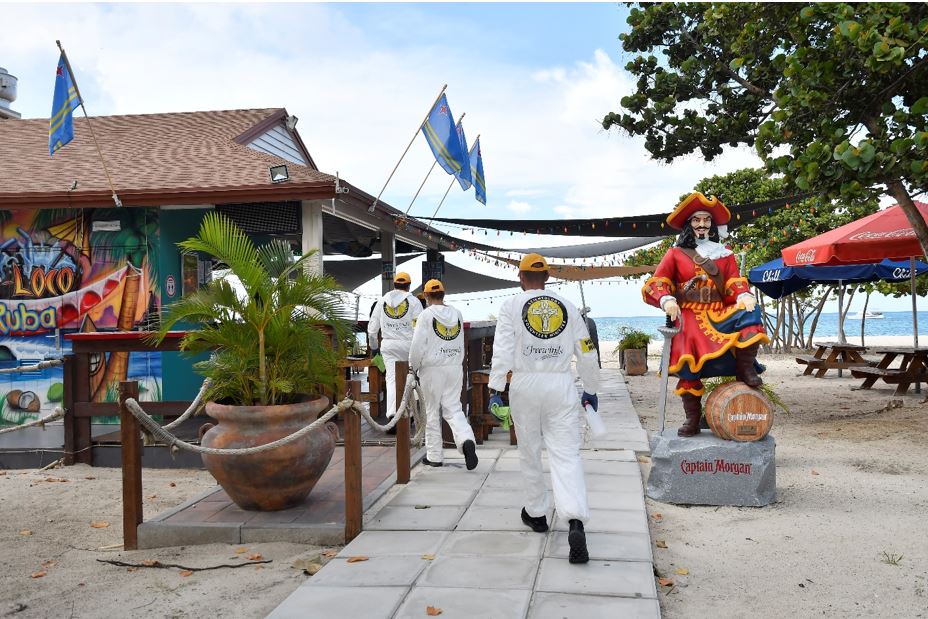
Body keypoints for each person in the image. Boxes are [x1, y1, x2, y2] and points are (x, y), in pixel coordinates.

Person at [488, 253, 600, 564]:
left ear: (520, 277)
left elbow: (503, 349)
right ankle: (575, 520)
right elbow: (586, 349)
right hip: (560, 384)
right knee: (566, 453)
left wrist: (497, 388)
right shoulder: (567, 306)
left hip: (525, 383)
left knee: (530, 450)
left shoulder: (511, 306)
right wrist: (591, 388)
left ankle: (536, 513)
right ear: (547, 277)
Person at [641, 192, 770, 437]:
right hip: (688, 314)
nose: (702, 225)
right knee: (688, 359)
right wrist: (666, 299)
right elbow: (656, 282)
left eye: (706, 220)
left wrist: (743, 295)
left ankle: (744, 368)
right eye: (697, 220)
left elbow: (733, 281)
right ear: (689, 224)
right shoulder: (675, 253)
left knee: (751, 314)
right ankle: (692, 417)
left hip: (719, 312)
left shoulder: (724, 254)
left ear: (712, 225)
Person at [408, 279, 478, 469]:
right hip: (455, 366)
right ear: (443, 294)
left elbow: (417, 345)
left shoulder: (426, 315)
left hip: (432, 369)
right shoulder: (457, 314)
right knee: (454, 408)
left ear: (426, 296)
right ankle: (466, 441)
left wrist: (412, 367)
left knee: (431, 411)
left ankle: (435, 456)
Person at [368, 272, 423, 426]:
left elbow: (372, 329)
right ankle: (408, 413)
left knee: (391, 379)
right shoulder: (414, 302)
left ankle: (392, 414)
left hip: (389, 345)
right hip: (408, 345)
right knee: (410, 378)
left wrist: (374, 348)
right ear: (408, 285)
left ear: (394, 285)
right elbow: (418, 328)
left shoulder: (382, 302)